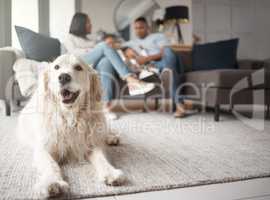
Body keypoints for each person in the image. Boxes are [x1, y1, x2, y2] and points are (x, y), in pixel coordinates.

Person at [64, 13, 155, 120]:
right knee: (103, 46)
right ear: (80, 23)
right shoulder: (69, 38)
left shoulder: (89, 40)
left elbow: (100, 50)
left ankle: (105, 106)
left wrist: (99, 49)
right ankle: (130, 79)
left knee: (106, 61)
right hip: (78, 65)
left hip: (92, 66)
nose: (90, 25)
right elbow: (75, 55)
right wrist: (97, 49)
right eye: (88, 22)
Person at [124, 17, 188, 118]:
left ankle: (167, 73)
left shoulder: (158, 36)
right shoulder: (132, 42)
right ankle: (167, 75)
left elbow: (163, 52)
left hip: (163, 61)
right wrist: (128, 52)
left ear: (147, 27)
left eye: (141, 27)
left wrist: (147, 58)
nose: (138, 30)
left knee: (168, 51)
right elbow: (117, 47)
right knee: (169, 70)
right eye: (136, 28)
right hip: (150, 67)